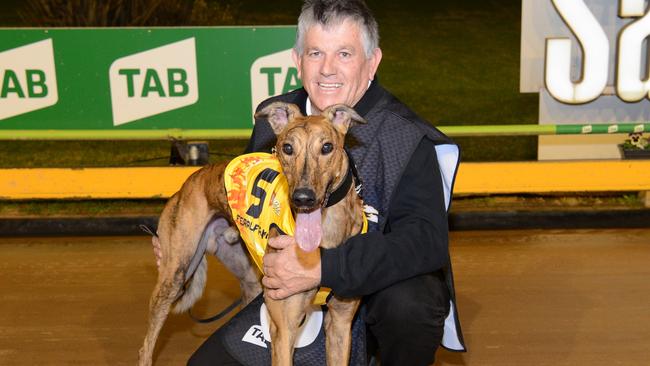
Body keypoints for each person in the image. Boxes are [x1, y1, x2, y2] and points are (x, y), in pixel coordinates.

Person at [160, 0, 466, 364]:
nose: (327, 69)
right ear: (297, 60)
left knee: (413, 302)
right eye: (316, 52)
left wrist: (324, 268)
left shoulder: (407, 138)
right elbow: (246, 208)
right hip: (290, 300)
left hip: (370, 308)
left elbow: (426, 243)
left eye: (345, 54)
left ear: (373, 62)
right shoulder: (275, 120)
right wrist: (192, 240)